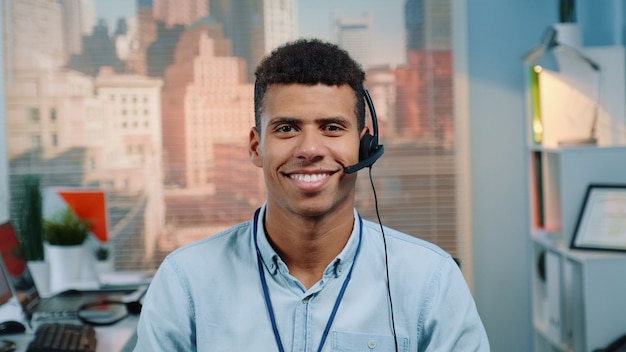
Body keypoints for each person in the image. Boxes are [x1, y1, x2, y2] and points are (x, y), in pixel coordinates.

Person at [134, 38, 490, 351]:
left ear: (365, 145)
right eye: (287, 128)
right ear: (256, 148)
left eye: (332, 128)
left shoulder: (431, 281)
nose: (310, 149)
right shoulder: (185, 281)